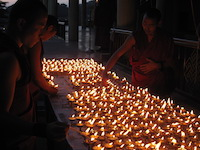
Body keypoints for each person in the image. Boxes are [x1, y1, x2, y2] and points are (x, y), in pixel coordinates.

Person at [0, 1, 68, 150]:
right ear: (22, 23)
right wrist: (42, 129)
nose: (40, 35)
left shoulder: (16, 52)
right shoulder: (9, 59)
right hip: (13, 141)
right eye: (39, 28)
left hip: (21, 137)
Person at [102, 8, 177, 97]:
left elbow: (173, 62)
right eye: (144, 23)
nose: (147, 28)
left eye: (151, 25)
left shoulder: (165, 39)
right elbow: (118, 54)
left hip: (159, 82)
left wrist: (158, 65)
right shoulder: (136, 36)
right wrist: (105, 71)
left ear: (158, 23)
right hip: (139, 80)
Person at [28, 15, 58, 98]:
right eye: (51, 36)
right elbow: (36, 77)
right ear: (50, 28)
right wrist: (50, 90)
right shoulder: (35, 42)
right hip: (28, 91)